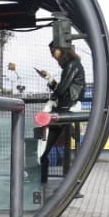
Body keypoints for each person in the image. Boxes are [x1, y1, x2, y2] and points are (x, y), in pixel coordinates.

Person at [36, 37, 85, 181]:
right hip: (66, 107)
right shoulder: (72, 65)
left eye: (53, 51)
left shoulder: (72, 65)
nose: (52, 55)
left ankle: (42, 178)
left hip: (67, 108)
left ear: (62, 50)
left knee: (45, 147)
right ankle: (43, 176)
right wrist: (50, 79)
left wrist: (50, 102)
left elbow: (63, 89)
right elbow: (63, 88)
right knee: (47, 145)